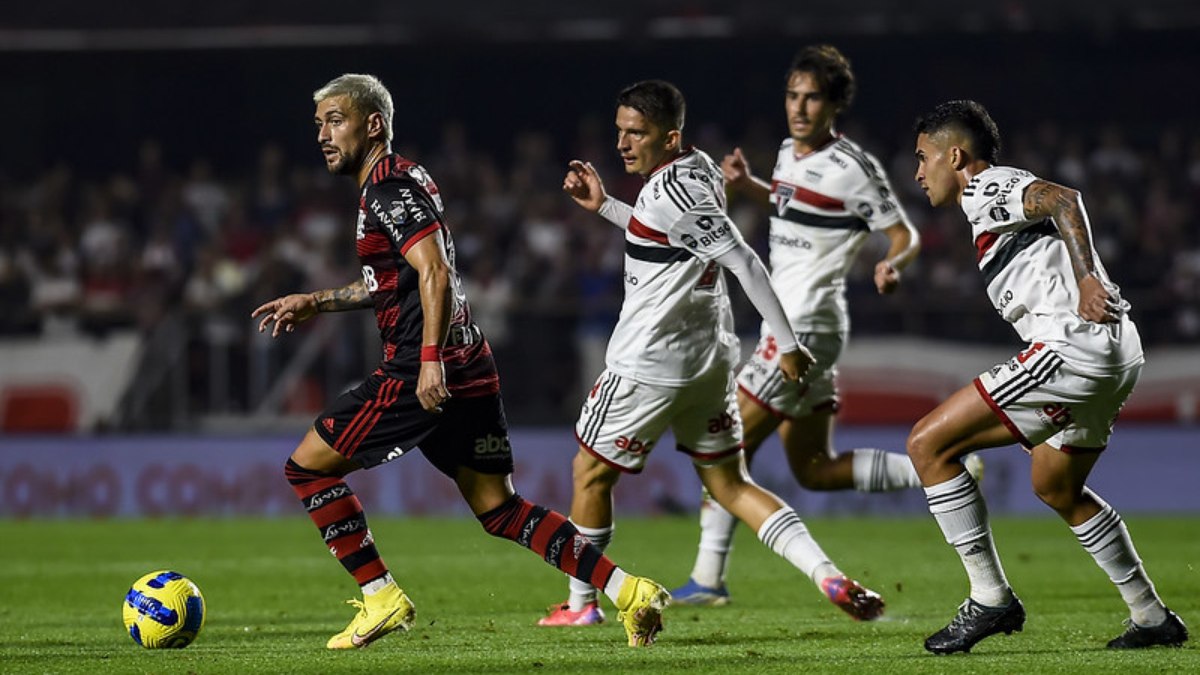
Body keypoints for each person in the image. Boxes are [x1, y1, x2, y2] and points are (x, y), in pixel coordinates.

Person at [252, 73, 669, 650]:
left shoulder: (387, 191)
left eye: (335, 120)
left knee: (307, 468)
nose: (323, 134)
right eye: (318, 123)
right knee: (499, 509)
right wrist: (317, 302)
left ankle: (380, 596)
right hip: (469, 360)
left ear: (373, 124)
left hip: (421, 368)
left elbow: (435, 272)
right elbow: (393, 279)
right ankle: (630, 591)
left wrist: (427, 363)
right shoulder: (402, 179)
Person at [537, 79, 885, 630]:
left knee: (588, 473)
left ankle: (582, 606)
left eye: (638, 134)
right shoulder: (694, 169)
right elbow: (665, 232)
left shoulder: (673, 192)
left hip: (648, 363)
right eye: (620, 132)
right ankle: (828, 575)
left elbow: (744, 261)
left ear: (669, 135)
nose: (624, 144)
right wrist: (605, 206)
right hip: (708, 365)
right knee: (728, 484)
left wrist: (788, 344)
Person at [672, 44, 964, 607]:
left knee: (720, 451)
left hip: (802, 329)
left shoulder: (853, 168)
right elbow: (793, 209)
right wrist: (749, 185)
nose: (800, 108)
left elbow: (903, 233)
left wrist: (889, 264)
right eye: (793, 96)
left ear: (834, 106)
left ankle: (713, 579)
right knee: (813, 468)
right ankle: (953, 470)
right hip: (795, 325)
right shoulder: (785, 153)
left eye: (813, 98)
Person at [910, 99, 1189, 653]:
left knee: (927, 445)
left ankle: (990, 599)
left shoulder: (986, 188)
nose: (918, 172)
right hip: (1115, 352)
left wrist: (1087, 279)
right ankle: (1151, 615)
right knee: (1055, 485)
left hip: (1072, 349)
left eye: (923, 158)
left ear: (955, 155)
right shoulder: (984, 208)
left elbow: (1064, 198)